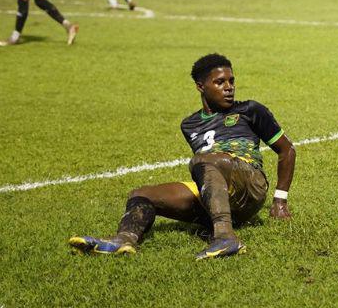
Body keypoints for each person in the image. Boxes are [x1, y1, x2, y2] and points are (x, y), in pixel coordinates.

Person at [69, 53, 296, 258]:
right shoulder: (190, 125)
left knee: (203, 160)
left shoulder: (250, 110)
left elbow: (287, 150)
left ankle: (226, 237)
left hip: (250, 185)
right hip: (217, 190)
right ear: (201, 86)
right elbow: (206, 175)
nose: (229, 87)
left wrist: (279, 200)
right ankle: (123, 241)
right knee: (141, 194)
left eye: (231, 81)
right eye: (220, 82)